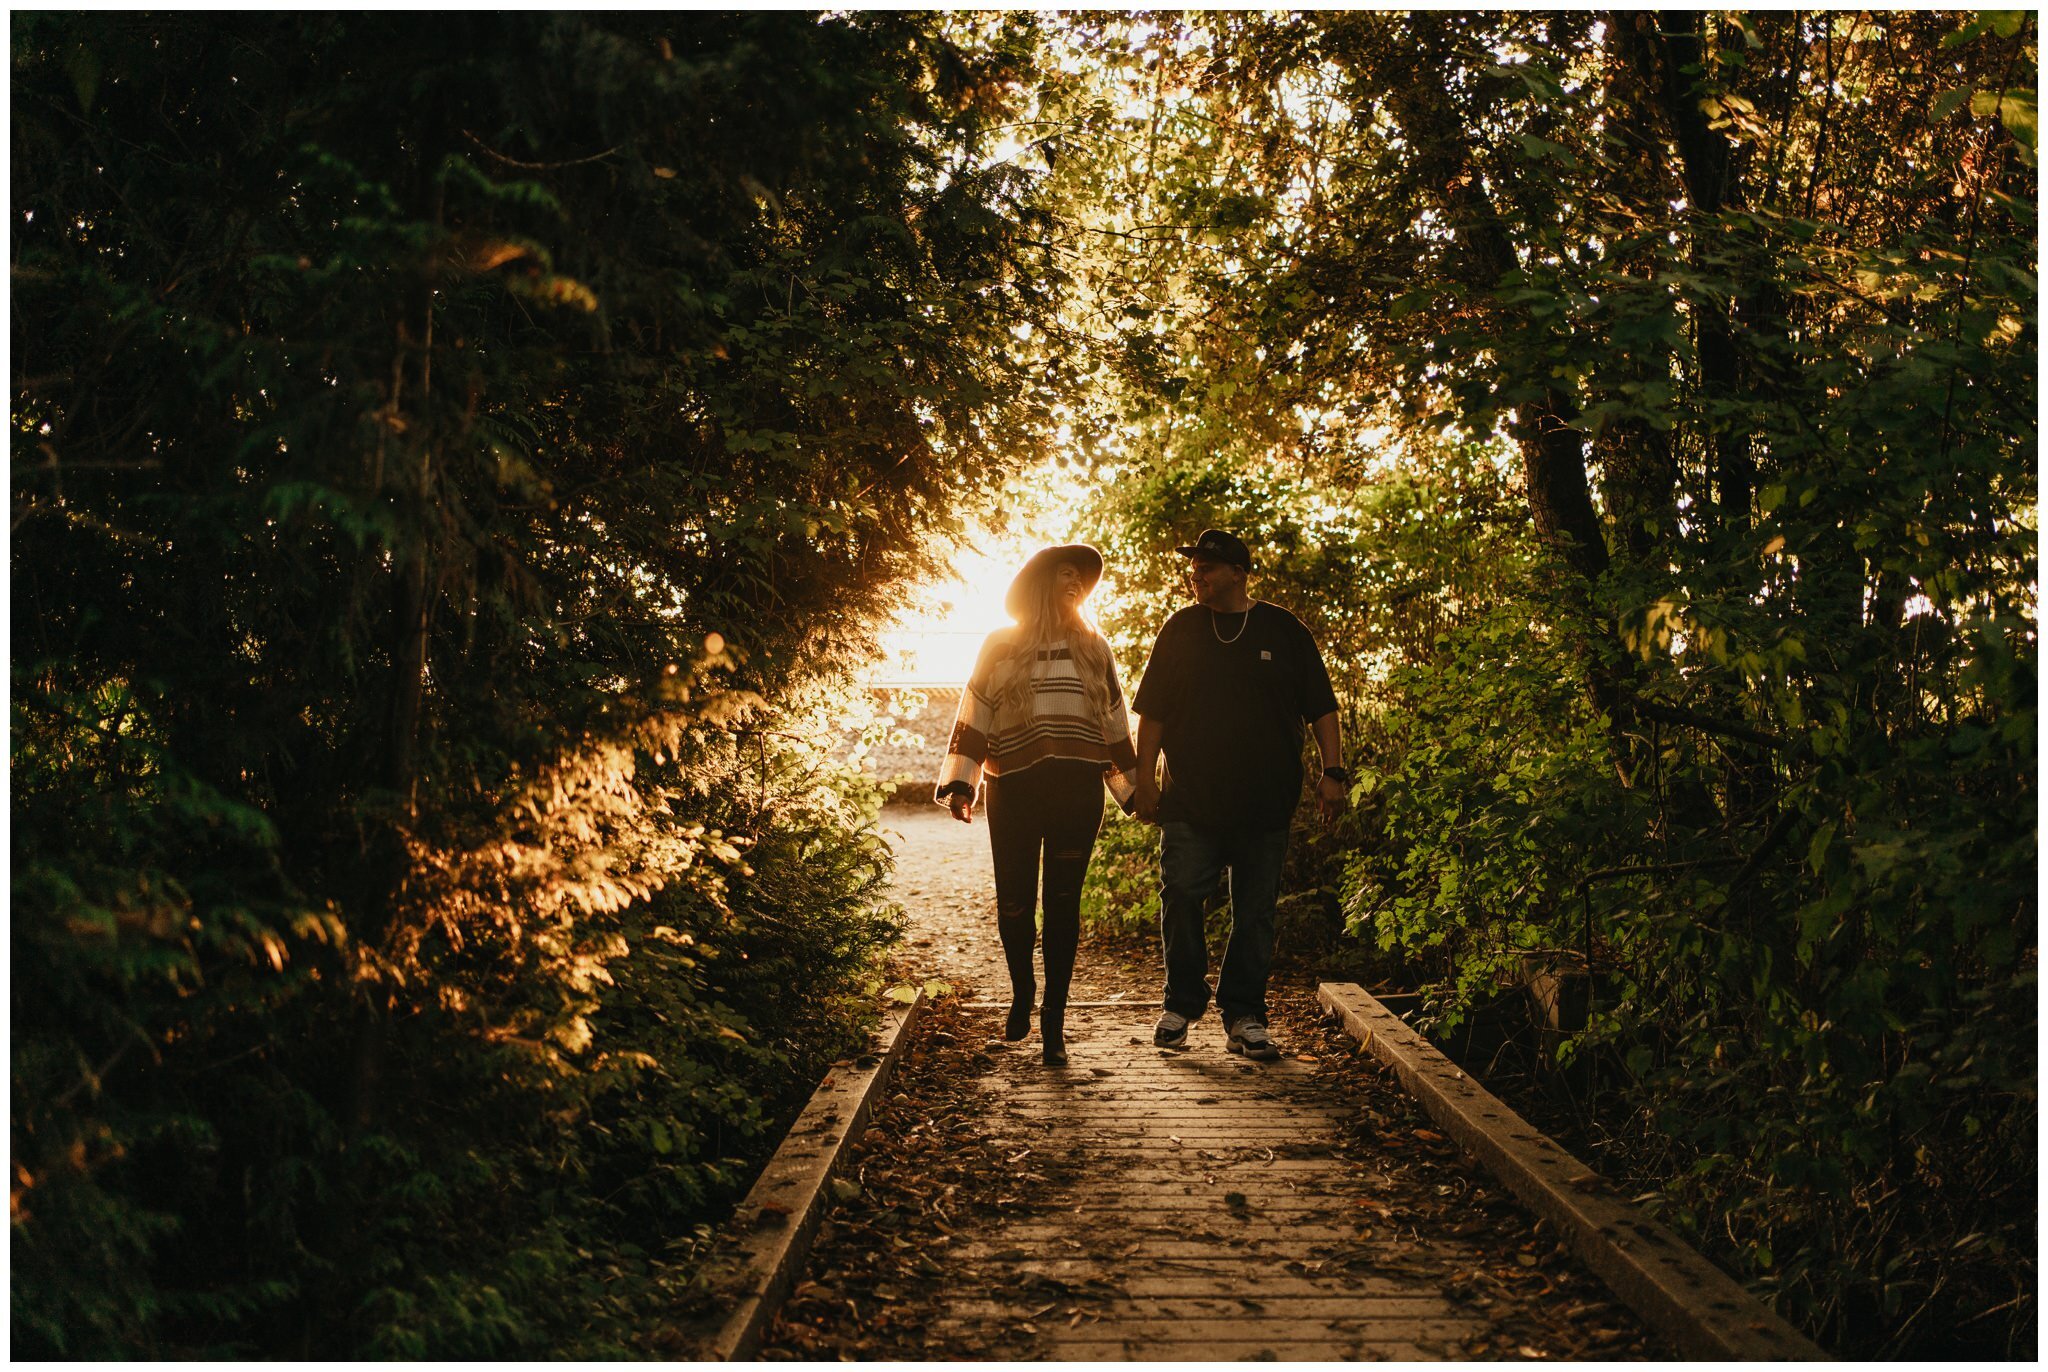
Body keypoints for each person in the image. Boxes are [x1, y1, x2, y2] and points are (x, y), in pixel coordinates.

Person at [1131, 528, 1346, 1061]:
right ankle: (1181, 1004)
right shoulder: (1180, 629)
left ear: (1238, 572)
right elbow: (1152, 713)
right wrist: (1144, 778)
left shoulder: (1283, 629)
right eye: (1194, 566)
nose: (1195, 574)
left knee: (1255, 912)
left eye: (1207, 566)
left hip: (1265, 802)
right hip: (1191, 799)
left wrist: (1333, 771)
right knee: (1181, 893)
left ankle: (1245, 1014)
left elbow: (1322, 706)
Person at [935, 544, 1140, 1066]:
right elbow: (975, 711)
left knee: (1065, 905)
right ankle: (1022, 988)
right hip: (1016, 792)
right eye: (1064, 575)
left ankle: (1055, 1018)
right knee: (1015, 903)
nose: (1075, 584)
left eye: (1081, 579)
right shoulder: (1000, 645)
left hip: (1076, 793)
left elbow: (1114, 719)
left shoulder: (1095, 647)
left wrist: (1137, 788)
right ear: (1041, 584)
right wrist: (963, 783)